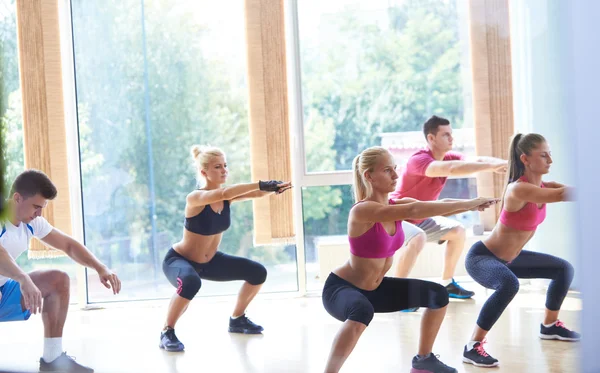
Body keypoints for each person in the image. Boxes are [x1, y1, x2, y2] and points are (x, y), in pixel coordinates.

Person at [322, 146, 497, 373]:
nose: (395, 175)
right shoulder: (362, 211)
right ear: (369, 176)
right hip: (342, 290)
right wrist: (469, 203)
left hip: (376, 289)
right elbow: (417, 207)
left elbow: (439, 205)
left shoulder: (395, 205)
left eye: (395, 169)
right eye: (387, 170)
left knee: (438, 295)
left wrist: (473, 202)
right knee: (361, 311)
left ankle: (423, 360)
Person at [462, 133, 580, 368]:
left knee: (563, 269)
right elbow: (561, 195)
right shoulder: (518, 190)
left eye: (550, 154)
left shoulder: (544, 186)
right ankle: (472, 345)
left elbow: (568, 190)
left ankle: (549, 325)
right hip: (483, 258)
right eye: (543, 155)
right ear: (525, 159)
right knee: (509, 284)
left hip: (510, 259)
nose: (550, 160)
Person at [159, 145, 292, 352]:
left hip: (210, 262)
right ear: (204, 172)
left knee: (257, 272)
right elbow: (227, 191)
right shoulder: (195, 198)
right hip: (180, 260)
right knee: (191, 282)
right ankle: (167, 331)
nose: (224, 170)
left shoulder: (226, 198)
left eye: (225, 166)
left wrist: (272, 188)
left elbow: (253, 194)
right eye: (217, 167)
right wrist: (261, 183)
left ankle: (237, 319)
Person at [0, 169, 121, 373]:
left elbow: (68, 245)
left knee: (59, 280)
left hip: (4, 290)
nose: (39, 213)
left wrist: (101, 268)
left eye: (42, 208)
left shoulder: (32, 223)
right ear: (17, 198)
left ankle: (53, 359)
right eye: (36, 207)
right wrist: (22, 278)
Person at [391, 115, 507, 301]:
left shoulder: (448, 157)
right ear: (431, 138)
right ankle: (396, 293)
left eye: (451, 134)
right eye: (446, 135)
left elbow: (474, 160)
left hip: (421, 217)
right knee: (417, 237)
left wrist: (503, 164)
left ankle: (447, 283)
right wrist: (491, 168)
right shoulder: (419, 160)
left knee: (457, 231)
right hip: (397, 217)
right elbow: (452, 168)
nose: (451, 139)